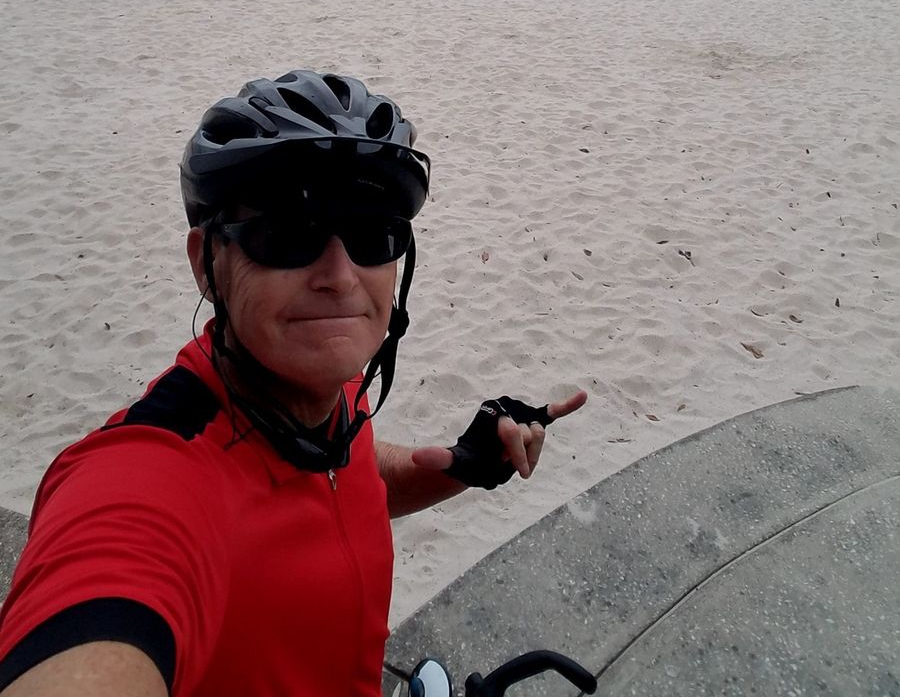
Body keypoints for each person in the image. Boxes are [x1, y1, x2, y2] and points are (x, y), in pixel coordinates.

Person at [0, 68, 586, 696]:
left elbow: (338, 478)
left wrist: (464, 464)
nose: (340, 275)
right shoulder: (146, 483)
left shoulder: (324, 390)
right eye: (287, 233)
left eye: (372, 233)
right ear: (207, 262)